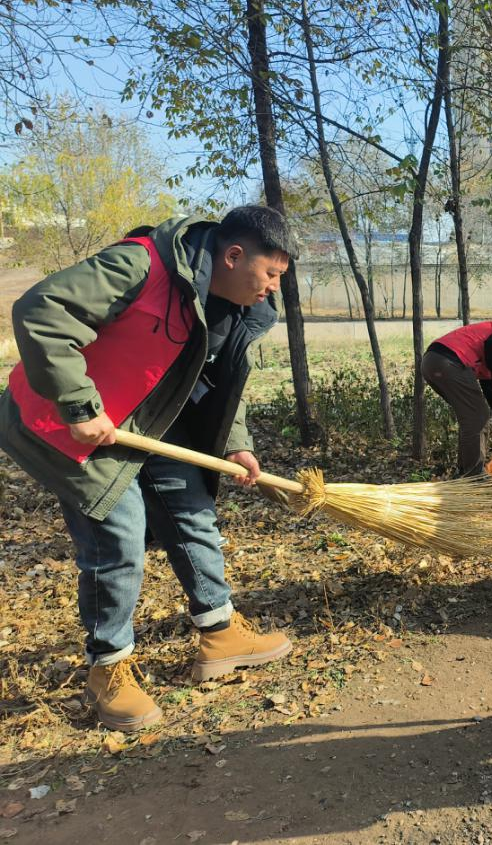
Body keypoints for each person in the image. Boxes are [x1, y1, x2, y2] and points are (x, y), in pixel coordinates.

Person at [0, 206, 298, 732]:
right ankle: (107, 668)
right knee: (118, 537)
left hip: (145, 419)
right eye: (271, 273)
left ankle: (219, 630)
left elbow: (220, 381)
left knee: (192, 509)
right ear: (233, 256)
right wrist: (79, 406)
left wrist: (235, 444)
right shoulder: (141, 267)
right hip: (63, 421)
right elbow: (40, 311)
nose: (274, 288)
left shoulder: (232, 306)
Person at [423, 322, 492, 476]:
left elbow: (490, 389)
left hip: (432, 362)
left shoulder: (489, 359)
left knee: (471, 417)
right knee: (477, 417)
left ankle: (463, 471)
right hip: (450, 362)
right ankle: (474, 476)